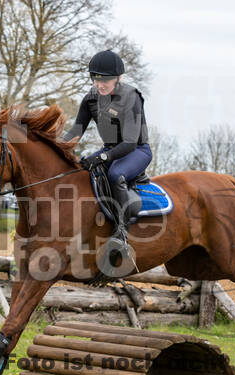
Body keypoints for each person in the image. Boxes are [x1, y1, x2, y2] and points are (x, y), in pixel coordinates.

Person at [64, 49, 151, 266]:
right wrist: (59, 149)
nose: (100, 84)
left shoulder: (131, 97)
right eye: (95, 79)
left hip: (136, 151)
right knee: (82, 171)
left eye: (105, 80)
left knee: (115, 174)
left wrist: (102, 156)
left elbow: (130, 142)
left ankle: (121, 234)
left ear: (118, 78)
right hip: (110, 149)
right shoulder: (90, 99)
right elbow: (76, 132)